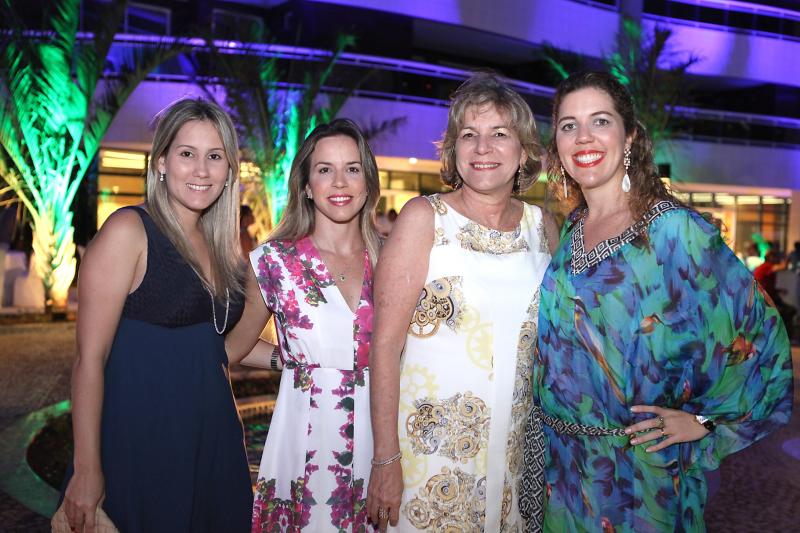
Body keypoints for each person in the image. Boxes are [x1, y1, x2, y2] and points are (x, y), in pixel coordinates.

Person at [532, 71, 793, 531]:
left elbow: (759, 340)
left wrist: (705, 422)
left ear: (630, 136)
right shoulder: (572, 228)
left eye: (600, 121)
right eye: (569, 125)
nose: (583, 137)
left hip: (637, 480)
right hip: (563, 472)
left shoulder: (674, 231)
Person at [366, 72, 559, 532]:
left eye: (499, 134)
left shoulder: (543, 228)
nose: (482, 147)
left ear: (524, 151)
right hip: (427, 459)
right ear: (454, 150)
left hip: (512, 458)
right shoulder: (423, 219)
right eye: (469, 135)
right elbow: (385, 346)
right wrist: (385, 459)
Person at [61, 98, 252, 532]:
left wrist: (296, 356)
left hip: (212, 440)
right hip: (143, 439)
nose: (201, 170)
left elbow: (211, 343)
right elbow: (89, 359)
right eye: (187, 154)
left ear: (229, 171)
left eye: (215, 156)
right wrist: (87, 467)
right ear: (161, 162)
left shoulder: (222, 247)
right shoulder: (129, 231)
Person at [225, 118, 382, 531]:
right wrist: (293, 360)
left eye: (352, 168)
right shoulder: (273, 262)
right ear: (307, 185)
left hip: (380, 439)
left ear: (368, 182)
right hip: (303, 442)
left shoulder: (392, 259)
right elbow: (235, 347)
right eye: (325, 169)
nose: (340, 182)